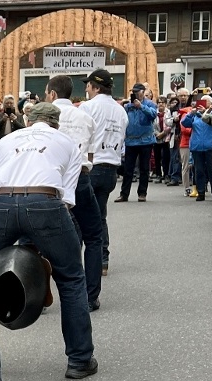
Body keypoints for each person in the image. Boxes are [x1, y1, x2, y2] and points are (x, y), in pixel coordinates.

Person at [0, 101, 96, 379]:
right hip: (45, 200)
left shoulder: (7, 140)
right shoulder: (67, 143)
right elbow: (67, 197)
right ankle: (79, 359)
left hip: (1, 201)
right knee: (71, 278)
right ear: (56, 124)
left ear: (29, 120)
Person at [46, 74, 103, 311]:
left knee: (39, 238)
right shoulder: (85, 117)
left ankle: (39, 296)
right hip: (79, 176)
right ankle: (90, 297)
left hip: (49, 179)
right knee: (93, 236)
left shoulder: (44, 116)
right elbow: (90, 155)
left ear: (52, 94)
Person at [79, 68, 127, 277]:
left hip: (93, 165)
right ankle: (102, 260)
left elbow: (81, 137)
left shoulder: (88, 107)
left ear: (96, 87)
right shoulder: (120, 110)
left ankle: (77, 262)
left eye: (88, 85)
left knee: (80, 216)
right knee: (100, 215)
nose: (86, 89)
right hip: (111, 167)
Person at [115, 82, 158, 202]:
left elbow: (153, 115)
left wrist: (141, 106)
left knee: (144, 169)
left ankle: (142, 193)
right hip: (131, 141)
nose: (135, 94)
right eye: (133, 92)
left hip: (146, 141)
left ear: (143, 92)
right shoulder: (128, 105)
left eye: (137, 91)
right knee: (128, 169)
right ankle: (124, 194)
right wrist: (124, 105)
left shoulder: (150, 104)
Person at [181, 97, 212, 202]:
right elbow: (184, 123)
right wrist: (191, 113)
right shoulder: (195, 115)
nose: (204, 104)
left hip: (210, 146)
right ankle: (200, 192)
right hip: (197, 146)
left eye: (207, 102)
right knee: (198, 170)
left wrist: (206, 112)